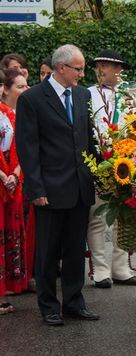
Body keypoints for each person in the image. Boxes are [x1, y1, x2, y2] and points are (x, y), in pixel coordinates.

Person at [15, 44, 100, 326]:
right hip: (49, 189)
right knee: (48, 251)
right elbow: (28, 148)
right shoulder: (33, 99)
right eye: (78, 68)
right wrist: (36, 189)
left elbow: (87, 140)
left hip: (79, 187)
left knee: (76, 249)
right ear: (61, 68)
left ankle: (74, 302)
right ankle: (49, 305)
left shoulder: (82, 94)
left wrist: (100, 175)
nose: (82, 73)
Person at [87, 49, 136, 289]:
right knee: (98, 216)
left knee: (124, 215)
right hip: (98, 161)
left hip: (128, 160)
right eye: (107, 66)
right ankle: (100, 270)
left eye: (116, 67)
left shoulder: (131, 94)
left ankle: (120, 267)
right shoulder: (86, 94)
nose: (113, 71)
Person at [0, 69, 28, 314]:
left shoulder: (14, 116)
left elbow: (22, 147)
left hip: (13, 177)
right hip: (2, 176)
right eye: (19, 86)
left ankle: (7, 285)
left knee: (10, 232)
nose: (25, 90)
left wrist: (16, 172)